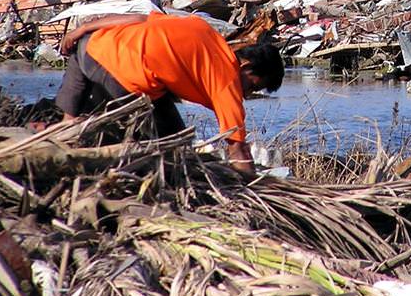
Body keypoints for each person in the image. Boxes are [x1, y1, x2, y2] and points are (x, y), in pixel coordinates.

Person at [54, 12, 284, 176]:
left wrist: (81, 30)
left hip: (87, 45)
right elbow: (237, 147)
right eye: (253, 86)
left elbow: (139, 18)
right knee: (172, 145)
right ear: (245, 67)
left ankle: (55, 147)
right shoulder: (226, 81)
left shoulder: (203, 28)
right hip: (121, 74)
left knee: (69, 125)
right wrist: (252, 184)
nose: (246, 94)